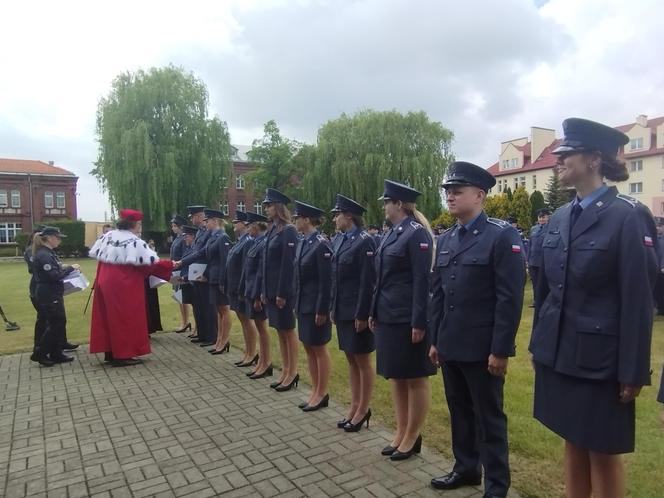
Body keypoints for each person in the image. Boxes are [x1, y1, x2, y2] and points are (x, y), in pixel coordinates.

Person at [530, 118, 658, 498]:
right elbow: (548, 291)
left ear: (594, 160)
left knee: (603, 451)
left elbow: (638, 298)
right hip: (561, 352)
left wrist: (632, 369)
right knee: (572, 440)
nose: (559, 160)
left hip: (601, 359)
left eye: (568, 154)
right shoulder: (559, 217)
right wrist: (541, 345)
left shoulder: (628, 215)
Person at [429, 162, 525, 497]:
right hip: (452, 343)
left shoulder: (501, 236)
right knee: (459, 410)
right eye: (448, 192)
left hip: (483, 348)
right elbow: (439, 293)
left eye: (457, 191)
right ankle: (466, 467)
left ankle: (497, 485)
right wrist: (436, 340)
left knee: (489, 418)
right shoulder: (447, 238)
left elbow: (509, 300)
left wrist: (500, 350)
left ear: (480, 195)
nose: (450, 197)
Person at [369, 180, 436, 460]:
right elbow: (381, 279)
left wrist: (419, 321)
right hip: (388, 315)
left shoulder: (416, 234)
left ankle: (412, 435)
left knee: (414, 377)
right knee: (396, 376)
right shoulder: (391, 234)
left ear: (399, 204)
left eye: (387, 202)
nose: (383, 206)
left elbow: (422, 281)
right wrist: (374, 311)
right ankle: (400, 431)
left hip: (407, 318)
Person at [89, 209, 173, 366]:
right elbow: (149, 264)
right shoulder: (133, 241)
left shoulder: (108, 236)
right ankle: (123, 354)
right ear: (134, 224)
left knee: (108, 317)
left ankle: (110, 352)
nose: (140, 227)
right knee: (124, 318)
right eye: (140, 223)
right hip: (123, 285)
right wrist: (171, 265)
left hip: (105, 281)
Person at [329, 194, 376, 431]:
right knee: (350, 359)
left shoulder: (364, 241)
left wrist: (362, 314)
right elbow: (335, 280)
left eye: (337, 214)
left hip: (357, 311)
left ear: (349, 216)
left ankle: (363, 409)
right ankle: (355, 406)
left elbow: (367, 283)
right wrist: (333, 308)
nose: (334, 219)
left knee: (362, 360)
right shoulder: (339, 241)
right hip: (342, 309)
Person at [293, 201, 333, 411]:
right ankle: (315, 390)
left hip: (316, 306)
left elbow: (326, 282)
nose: (295, 221)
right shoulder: (302, 242)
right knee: (309, 347)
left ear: (307, 219)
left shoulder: (321, 244)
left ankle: (322, 392)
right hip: (303, 304)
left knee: (319, 348)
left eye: (297, 217)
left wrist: (322, 309)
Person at [261, 188, 299, 392]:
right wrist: (265, 290)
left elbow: (288, 266)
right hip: (271, 291)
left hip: (282, 293)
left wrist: (282, 293)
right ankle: (285, 371)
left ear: (278, 207)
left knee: (288, 331)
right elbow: (267, 264)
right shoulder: (273, 230)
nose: (266, 208)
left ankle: (292, 372)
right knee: (280, 332)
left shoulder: (288, 230)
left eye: (269, 205)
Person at [31, 227, 81, 366]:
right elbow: (54, 276)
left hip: (52, 292)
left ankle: (56, 352)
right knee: (56, 323)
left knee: (58, 322)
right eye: (57, 237)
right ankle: (40, 352)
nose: (59, 240)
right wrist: (70, 268)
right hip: (48, 293)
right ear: (49, 238)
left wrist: (66, 269)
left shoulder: (48, 253)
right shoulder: (44, 255)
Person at [174, 206, 217, 345]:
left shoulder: (208, 232)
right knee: (199, 306)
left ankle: (211, 336)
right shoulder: (199, 232)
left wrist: (182, 262)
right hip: (195, 273)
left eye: (193, 216)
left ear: (199, 216)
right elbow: (194, 252)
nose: (191, 219)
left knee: (207, 307)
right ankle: (203, 334)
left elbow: (202, 254)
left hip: (204, 273)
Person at [241, 212, 273, 379]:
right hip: (251, 292)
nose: (247, 229)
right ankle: (262, 361)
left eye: (249, 226)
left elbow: (261, 274)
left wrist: (257, 296)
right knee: (260, 329)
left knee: (262, 329)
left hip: (257, 295)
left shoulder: (263, 244)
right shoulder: (255, 243)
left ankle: (266, 362)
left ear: (255, 226)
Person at [227, 211, 259, 366]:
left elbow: (246, 268)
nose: (234, 224)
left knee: (247, 320)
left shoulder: (247, 242)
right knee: (242, 319)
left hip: (241, 287)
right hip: (235, 286)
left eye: (236, 222)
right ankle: (248, 351)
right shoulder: (240, 240)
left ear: (244, 225)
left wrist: (242, 289)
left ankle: (252, 353)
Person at [200, 208, 232, 354]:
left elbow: (225, 261)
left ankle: (224, 341)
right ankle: (219, 340)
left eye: (208, 221)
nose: (206, 224)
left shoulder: (223, 237)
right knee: (219, 311)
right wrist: (205, 274)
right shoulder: (213, 237)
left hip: (220, 279)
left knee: (224, 310)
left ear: (215, 221)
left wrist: (223, 281)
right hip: (212, 278)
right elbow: (210, 260)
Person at [170, 214, 192, 333]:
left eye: (175, 226)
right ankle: (184, 321)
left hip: (181, 270)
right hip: (175, 271)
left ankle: (186, 321)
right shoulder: (177, 238)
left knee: (183, 297)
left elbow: (185, 255)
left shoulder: (184, 239)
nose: (173, 228)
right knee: (178, 297)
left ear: (181, 227)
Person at [178, 225, 198, 338]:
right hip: (186, 278)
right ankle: (196, 328)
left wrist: (185, 277)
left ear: (192, 236)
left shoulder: (194, 248)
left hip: (191, 279)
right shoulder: (188, 248)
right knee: (192, 304)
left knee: (195, 305)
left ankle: (197, 328)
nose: (185, 238)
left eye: (187, 236)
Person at [527, 208, 551, 307]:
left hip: (544, 261)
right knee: (535, 283)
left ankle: (545, 300)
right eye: (540, 217)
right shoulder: (533, 229)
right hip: (533, 260)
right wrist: (527, 260)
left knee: (544, 283)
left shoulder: (551, 228)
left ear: (548, 217)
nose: (541, 219)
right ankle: (536, 301)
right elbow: (530, 245)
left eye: (543, 217)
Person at [653, 217, 664, 315]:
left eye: (660, 226)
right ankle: (660, 308)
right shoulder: (655, 238)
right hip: (655, 269)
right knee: (657, 290)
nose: (658, 228)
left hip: (662, 268)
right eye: (656, 226)